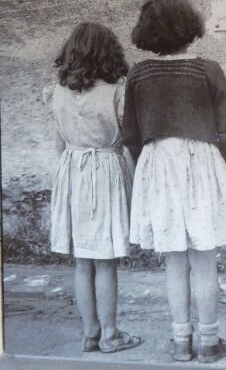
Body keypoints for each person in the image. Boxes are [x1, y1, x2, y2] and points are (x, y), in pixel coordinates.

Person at [123, 0, 226, 363]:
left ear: (148, 31)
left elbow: (131, 134)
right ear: (190, 27)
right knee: (204, 257)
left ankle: (180, 342)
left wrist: (149, 170)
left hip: (159, 164)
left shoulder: (140, 73)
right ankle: (208, 341)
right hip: (203, 163)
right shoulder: (208, 69)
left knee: (174, 258)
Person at [46, 22, 142, 354]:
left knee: (82, 261)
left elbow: (59, 144)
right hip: (104, 171)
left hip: (71, 171)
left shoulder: (58, 92)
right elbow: (130, 137)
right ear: (108, 53)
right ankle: (111, 334)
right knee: (104, 261)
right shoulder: (117, 90)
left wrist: (69, 175)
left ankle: (90, 332)